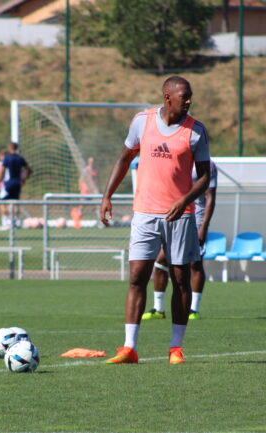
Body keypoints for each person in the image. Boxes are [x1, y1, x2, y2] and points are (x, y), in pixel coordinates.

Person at [100, 76, 210, 365]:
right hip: (145, 214)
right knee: (137, 277)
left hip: (181, 216)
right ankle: (129, 348)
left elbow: (206, 177)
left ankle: (176, 348)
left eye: (190, 96)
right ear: (167, 97)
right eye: (183, 96)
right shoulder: (142, 121)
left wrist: (184, 200)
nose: (188, 100)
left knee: (180, 280)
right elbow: (125, 158)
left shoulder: (196, 132)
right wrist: (107, 195)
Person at [142, 161, 218, 321]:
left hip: (195, 219)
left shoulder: (207, 165)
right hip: (173, 215)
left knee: (194, 263)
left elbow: (210, 197)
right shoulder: (174, 159)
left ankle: (194, 309)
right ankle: (158, 308)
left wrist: (203, 226)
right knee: (160, 261)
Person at [0, 142, 32, 230]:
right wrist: (23, 179)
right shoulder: (20, 158)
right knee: (15, 203)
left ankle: (5, 222)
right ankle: (16, 222)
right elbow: (29, 170)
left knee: (2, 202)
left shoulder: (7, 158)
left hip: (8, 183)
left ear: (9, 148)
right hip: (18, 183)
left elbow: (1, 172)